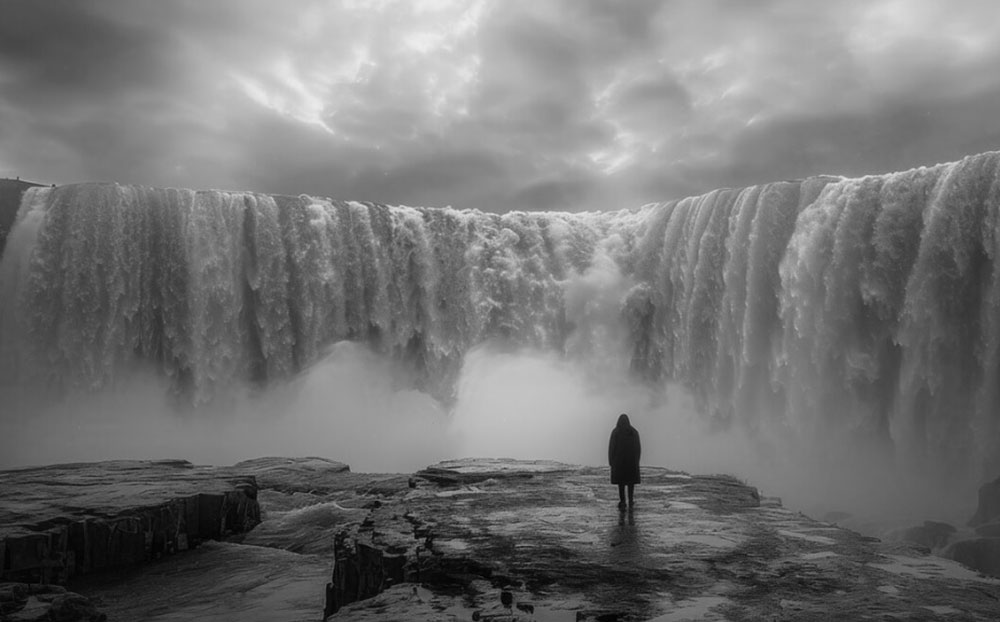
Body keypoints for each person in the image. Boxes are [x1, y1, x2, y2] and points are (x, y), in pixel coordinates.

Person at [608, 413, 641, 510]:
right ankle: (630, 500)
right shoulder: (634, 432)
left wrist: (611, 461)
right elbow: (638, 448)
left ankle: (622, 501)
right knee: (631, 483)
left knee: (621, 484)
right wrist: (637, 461)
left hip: (619, 463)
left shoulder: (616, 432)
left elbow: (612, 448)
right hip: (631, 463)